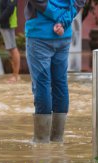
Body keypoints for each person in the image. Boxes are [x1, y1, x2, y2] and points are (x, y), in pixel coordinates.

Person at [24, 0, 86, 143]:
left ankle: (41, 142)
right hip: (63, 34)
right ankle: (57, 140)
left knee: (42, 84)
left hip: (40, 33)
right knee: (60, 83)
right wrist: (63, 21)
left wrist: (58, 17)